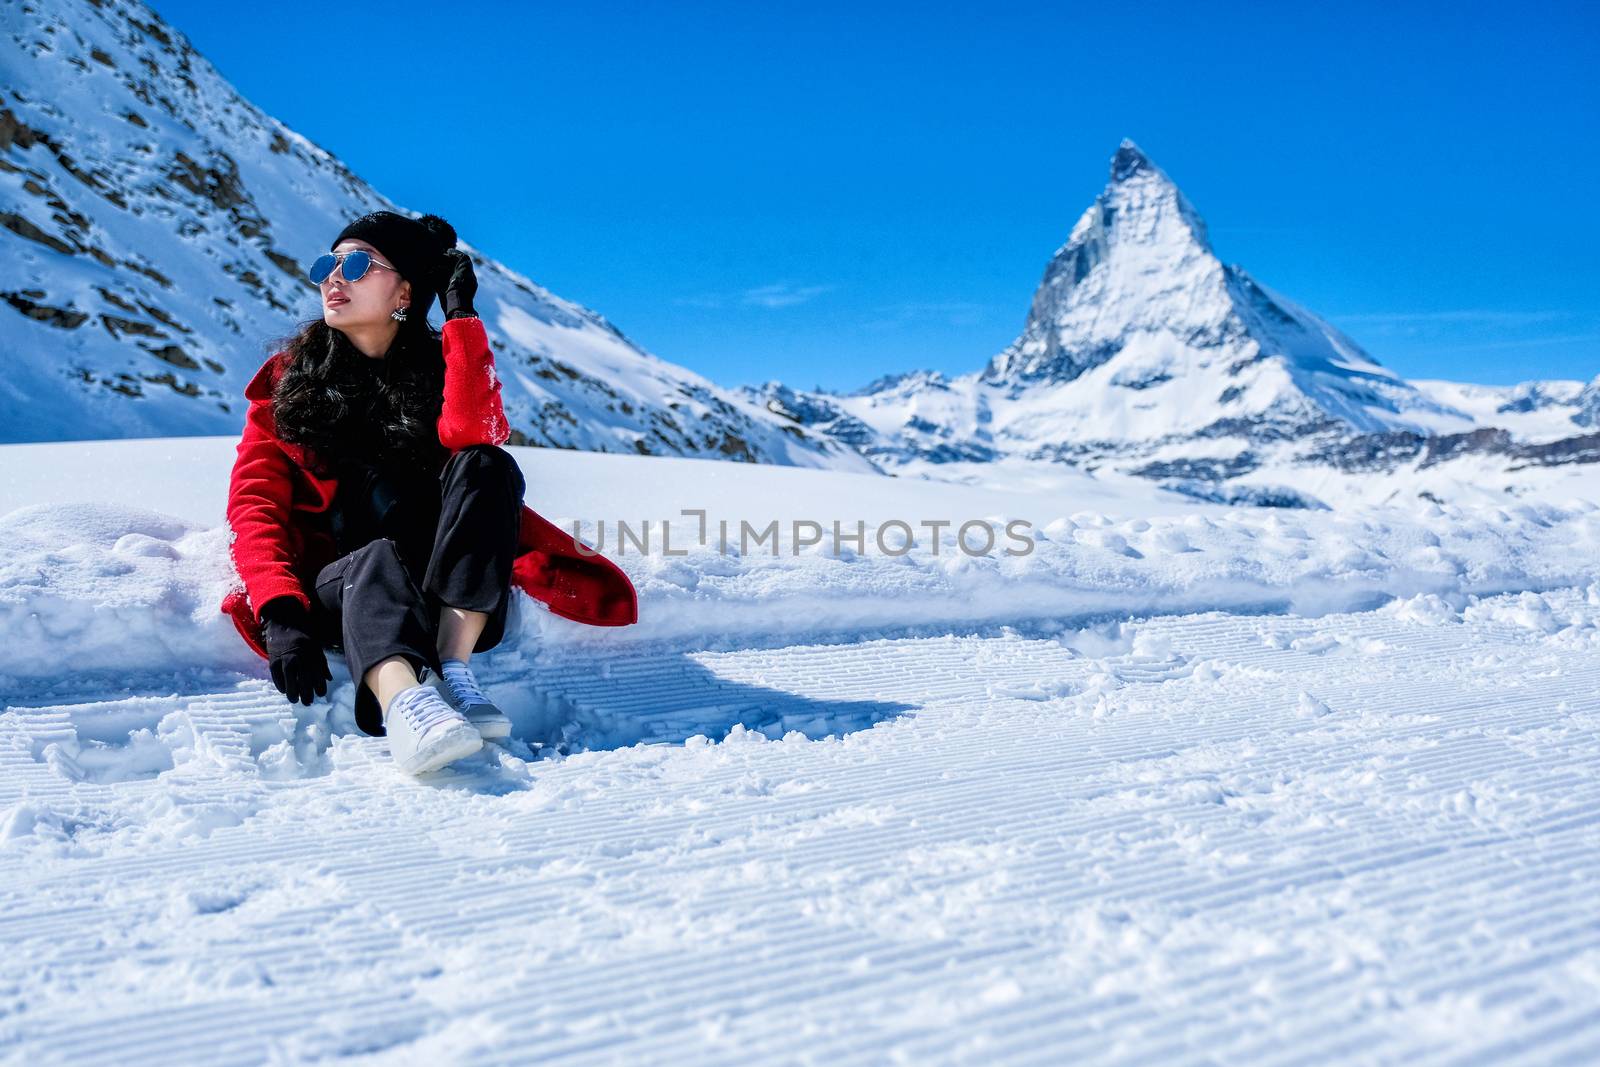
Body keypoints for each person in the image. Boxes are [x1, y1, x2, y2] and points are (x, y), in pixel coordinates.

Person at [220, 211, 640, 775]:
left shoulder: (441, 365)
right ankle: (407, 706)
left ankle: (454, 667)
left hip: (444, 584)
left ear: (405, 292)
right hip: (341, 587)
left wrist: (460, 319)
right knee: (372, 560)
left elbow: (478, 436)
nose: (333, 279)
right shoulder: (287, 386)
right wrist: (280, 612)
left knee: (487, 465)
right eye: (327, 265)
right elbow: (254, 506)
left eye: (357, 264)